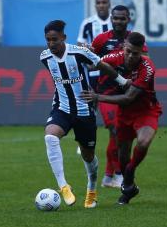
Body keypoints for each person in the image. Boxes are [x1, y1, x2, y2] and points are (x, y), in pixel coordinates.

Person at [41, 20, 128, 209]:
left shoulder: (79, 53)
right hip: (62, 108)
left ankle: (91, 189)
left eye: (55, 39)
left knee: (88, 157)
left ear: (64, 38)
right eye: (48, 40)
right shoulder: (45, 57)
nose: (51, 44)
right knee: (50, 136)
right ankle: (63, 186)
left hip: (84, 111)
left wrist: (122, 81)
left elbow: (102, 65)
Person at [81, 32, 162, 205]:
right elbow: (93, 65)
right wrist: (86, 52)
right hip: (124, 114)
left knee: (143, 142)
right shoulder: (115, 56)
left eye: (136, 53)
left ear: (142, 51)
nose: (131, 56)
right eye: (129, 51)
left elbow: (129, 97)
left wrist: (98, 97)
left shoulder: (147, 68)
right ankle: (129, 188)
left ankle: (129, 174)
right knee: (123, 155)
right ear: (124, 47)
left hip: (146, 111)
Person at [91, 5, 149, 188]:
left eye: (122, 18)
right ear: (111, 18)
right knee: (115, 131)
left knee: (119, 137)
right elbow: (91, 61)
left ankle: (109, 176)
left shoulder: (134, 40)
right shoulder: (101, 39)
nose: (118, 21)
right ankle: (118, 174)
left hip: (127, 94)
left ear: (128, 19)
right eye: (115, 18)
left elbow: (144, 60)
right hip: (106, 92)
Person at [75, 0, 111, 155]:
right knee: (90, 105)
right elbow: (79, 45)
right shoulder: (88, 23)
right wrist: (87, 52)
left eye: (104, 2)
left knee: (110, 104)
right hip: (93, 72)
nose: (102, 5)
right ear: (95, 4)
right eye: (99, 2)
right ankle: (85, 140)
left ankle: (115, 135)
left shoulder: (115, 21)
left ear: (109, 3)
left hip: (111, 72)